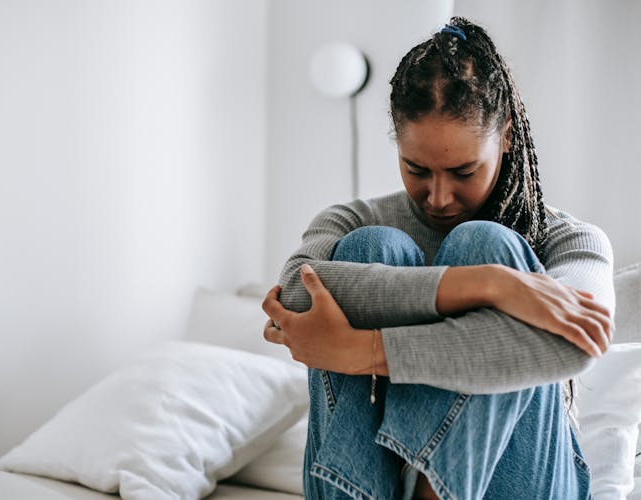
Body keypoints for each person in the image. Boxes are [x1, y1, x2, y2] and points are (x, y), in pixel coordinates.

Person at [261, 17, 615, 500]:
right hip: (368, 481)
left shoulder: (567, 239)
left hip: (518, 481)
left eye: (463, 170)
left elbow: (578, 344)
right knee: (372, 248)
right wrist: (490, 285)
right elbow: (296, 296)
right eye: (417, 169)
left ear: (506, 137)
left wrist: (361, 351)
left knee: (489, 242)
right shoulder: (350, 219)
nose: (439, 197)